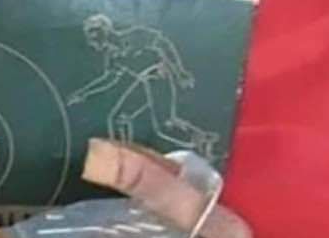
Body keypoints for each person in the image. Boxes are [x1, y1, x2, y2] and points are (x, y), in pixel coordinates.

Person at [67, 14, 219, 159]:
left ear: (105, 30)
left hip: (158, 78)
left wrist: (179, 72)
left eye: (93, 32)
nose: (91, 39)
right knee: (120, 118)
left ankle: (202, 140)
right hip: (143, 83)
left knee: (165, 126)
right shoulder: (113, 56)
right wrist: (84, 93)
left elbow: (163, 44)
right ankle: (125, 157)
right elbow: (110, 78)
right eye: (89, 34)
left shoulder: (135, 35)